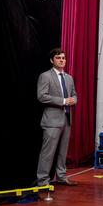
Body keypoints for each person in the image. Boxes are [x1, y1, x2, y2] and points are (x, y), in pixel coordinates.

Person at [36, 48, 77, 187]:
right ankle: (42, 181)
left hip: (67, 119)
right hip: (52, 121)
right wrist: (64, 101)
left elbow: (74, 95)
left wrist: (73, 100)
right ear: (52, 60)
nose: (62, 60)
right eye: (58, 58)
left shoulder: (69, 78)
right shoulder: (45, 76)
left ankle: (61, 177)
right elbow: (42, 96)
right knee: (48, 152)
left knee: (62, 152)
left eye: (63, 58)